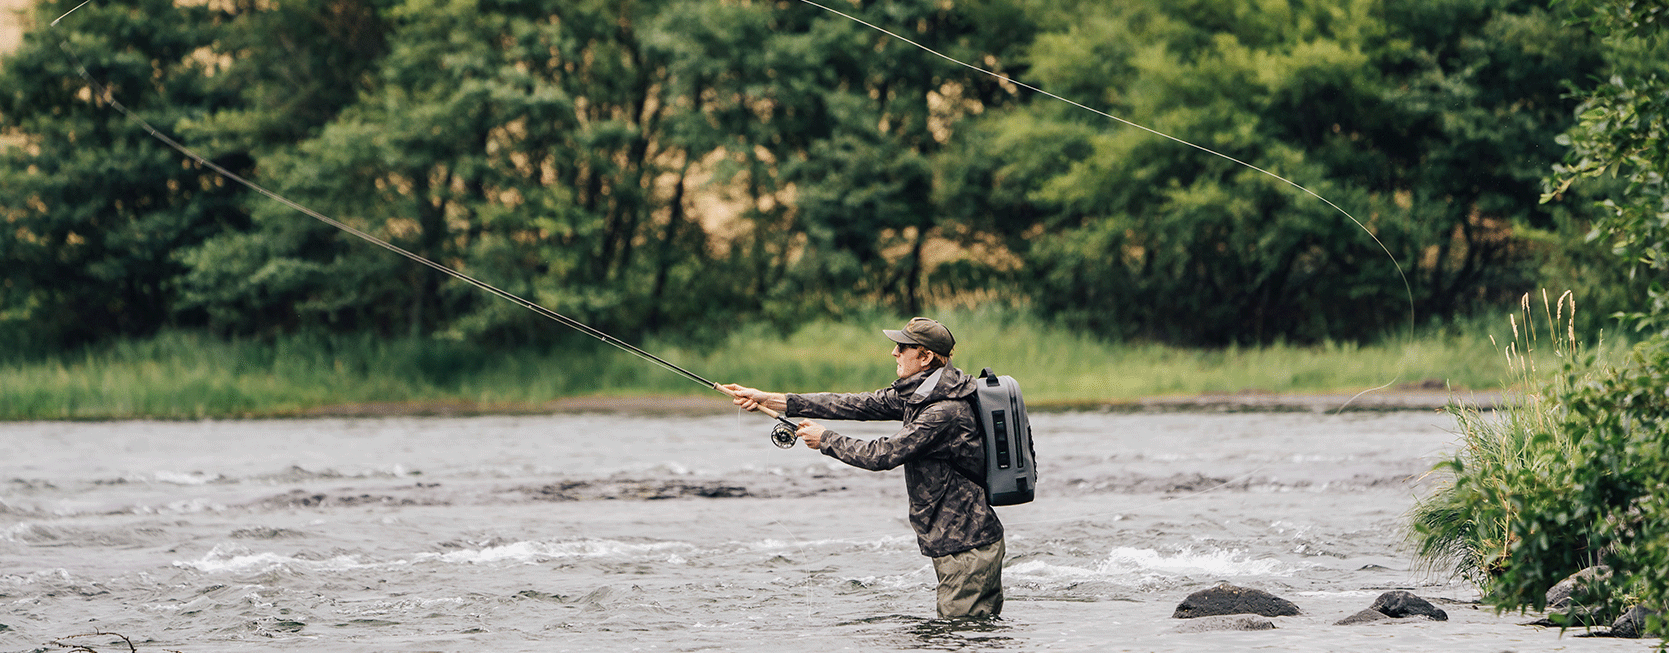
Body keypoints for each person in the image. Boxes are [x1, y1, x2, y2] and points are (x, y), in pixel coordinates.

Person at [722, 316, 1005, 618]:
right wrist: (775, 400)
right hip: (961, 542)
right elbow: (856, 404)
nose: (894, 353)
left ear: (925, 357)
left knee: (958, 637)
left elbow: (883, 454)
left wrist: (825, 439)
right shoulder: (923, 394)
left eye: (902, 347)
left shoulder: (944, 410)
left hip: (968, 548)